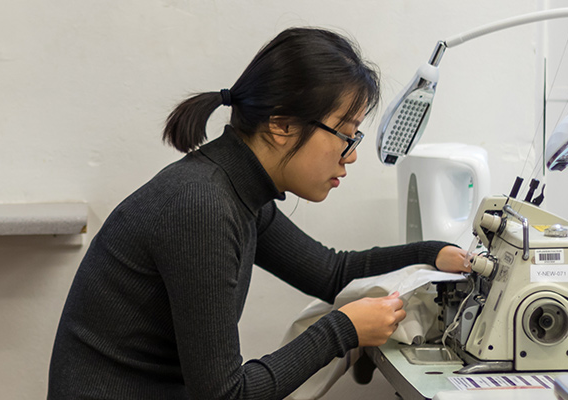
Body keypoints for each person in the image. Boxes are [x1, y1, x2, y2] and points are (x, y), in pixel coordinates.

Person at [48, 27, 471, 399]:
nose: (352, 155)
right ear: (281, 124)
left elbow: (333, 273)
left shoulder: (236, 191)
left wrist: (431, 254)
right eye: (344, 134)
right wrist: (344, 329)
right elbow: (225, 395)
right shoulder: (202, 207)